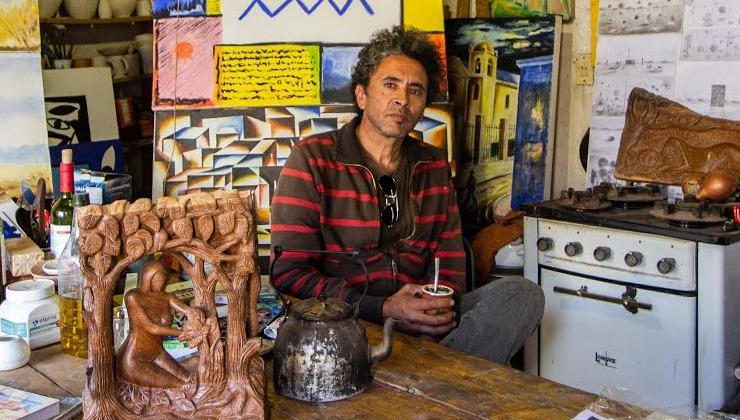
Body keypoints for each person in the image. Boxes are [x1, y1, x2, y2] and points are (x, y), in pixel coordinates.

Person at [271, 26, 544, 363]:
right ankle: (433, 375)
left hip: (420, 322)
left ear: (422, 105)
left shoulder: (432, 165)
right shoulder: (313, 159)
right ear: (361, 95)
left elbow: (450, 256)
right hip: (346, 325)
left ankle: (420, 373)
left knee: (522, 295)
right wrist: (383, 307)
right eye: (390, 85)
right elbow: (289, 273)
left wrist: (435, 306)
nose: (402, 99)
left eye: (415, 90)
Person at [116, 261, 203, 388]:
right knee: (181, 386)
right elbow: (152, 328)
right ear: (148, 278)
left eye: (164, 278)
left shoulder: (166, 297)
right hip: (135, 359)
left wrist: (194, 313)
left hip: (158, 352)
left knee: (190, 380)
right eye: (159, 278)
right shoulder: (133, 297)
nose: (162, 282)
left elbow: (185, 309)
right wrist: (183, 333)